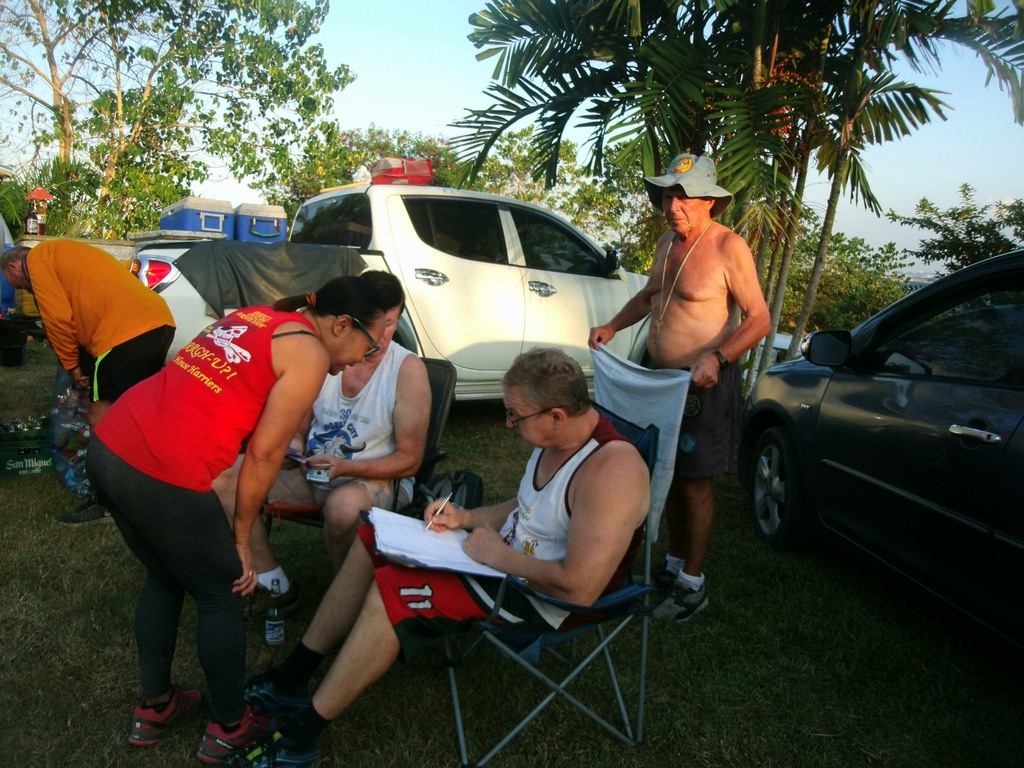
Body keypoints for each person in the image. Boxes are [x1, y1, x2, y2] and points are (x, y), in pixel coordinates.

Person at [224, 347, 651, 768]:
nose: (508, 424)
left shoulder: (611, 472)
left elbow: (579, 588)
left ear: (556, 415)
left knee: (396, 590)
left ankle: (299, 737)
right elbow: (527, 508)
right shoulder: (558, 436)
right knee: (372, 536)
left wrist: (497, 556)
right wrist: (465, 517)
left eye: (515, 416)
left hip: (543, 598)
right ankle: (292, 679)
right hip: (502, 563)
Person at [85, 275, 389, 765]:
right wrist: (242, 540)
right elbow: (263, 457)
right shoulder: (310, 353)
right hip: (163, 469)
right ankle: (230, 725)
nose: (360, 360)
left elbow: (220, 395)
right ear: (341, 325)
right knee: (223, 591)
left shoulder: (256, 317)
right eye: (367, 346)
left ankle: (155, 706)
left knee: (165, 578)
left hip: (109, 447)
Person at [588, 152, 770, 622]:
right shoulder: (667, 243)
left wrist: (718, 358)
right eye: (668, 196)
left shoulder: (729, 247)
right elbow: (650, 296)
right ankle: (672, 564)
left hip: (704, 383)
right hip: (663, 381)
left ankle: (693, 583)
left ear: (709, 201)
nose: (672, 206)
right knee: (665, 473)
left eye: (684, 197)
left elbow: (759, 319)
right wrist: (612, 326)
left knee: (694, 484)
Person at [213, 271, 430, 614]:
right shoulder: (326, 356)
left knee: (343, 507)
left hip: (373, 481)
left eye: (391, 323)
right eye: (378, 324)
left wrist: (345, 467)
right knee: (225, 477)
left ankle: (346, 608)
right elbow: (300, 424)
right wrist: (295, 447)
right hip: (313, 471)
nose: (382, 335)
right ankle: (274, 583)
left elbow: (410, 459)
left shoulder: (407, 370)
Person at [1, 241, 176, 524]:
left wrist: (71, 365)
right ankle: (154, 486)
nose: (22, 289)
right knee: (138, 414)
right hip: (160, 322)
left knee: (99, 416)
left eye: (16, 284)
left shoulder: (36, 261)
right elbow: (85, 306)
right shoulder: (65, 253)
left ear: (13, 266)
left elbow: (57, 318)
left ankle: (106, 502)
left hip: (123, 332)